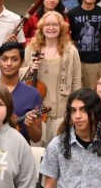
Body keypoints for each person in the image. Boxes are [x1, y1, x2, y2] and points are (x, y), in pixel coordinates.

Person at [24, 10, 81, 145]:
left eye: (55, 25)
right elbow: (23, 78)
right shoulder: (32, 48)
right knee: (38, 151)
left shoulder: (71, 50)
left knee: (60, 150)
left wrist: (75, 109)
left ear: (61, 28)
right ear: (41, 27)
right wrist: (30, 69)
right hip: (38, 112)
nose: (51, 28)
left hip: (61, 112)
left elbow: (76, 82)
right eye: (47, 24)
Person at [67, 0, 101, 89]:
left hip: (95, 62)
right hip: (76, 60)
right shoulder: (72, 14)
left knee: (93, 92)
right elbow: (70, 39)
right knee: (77, 92)